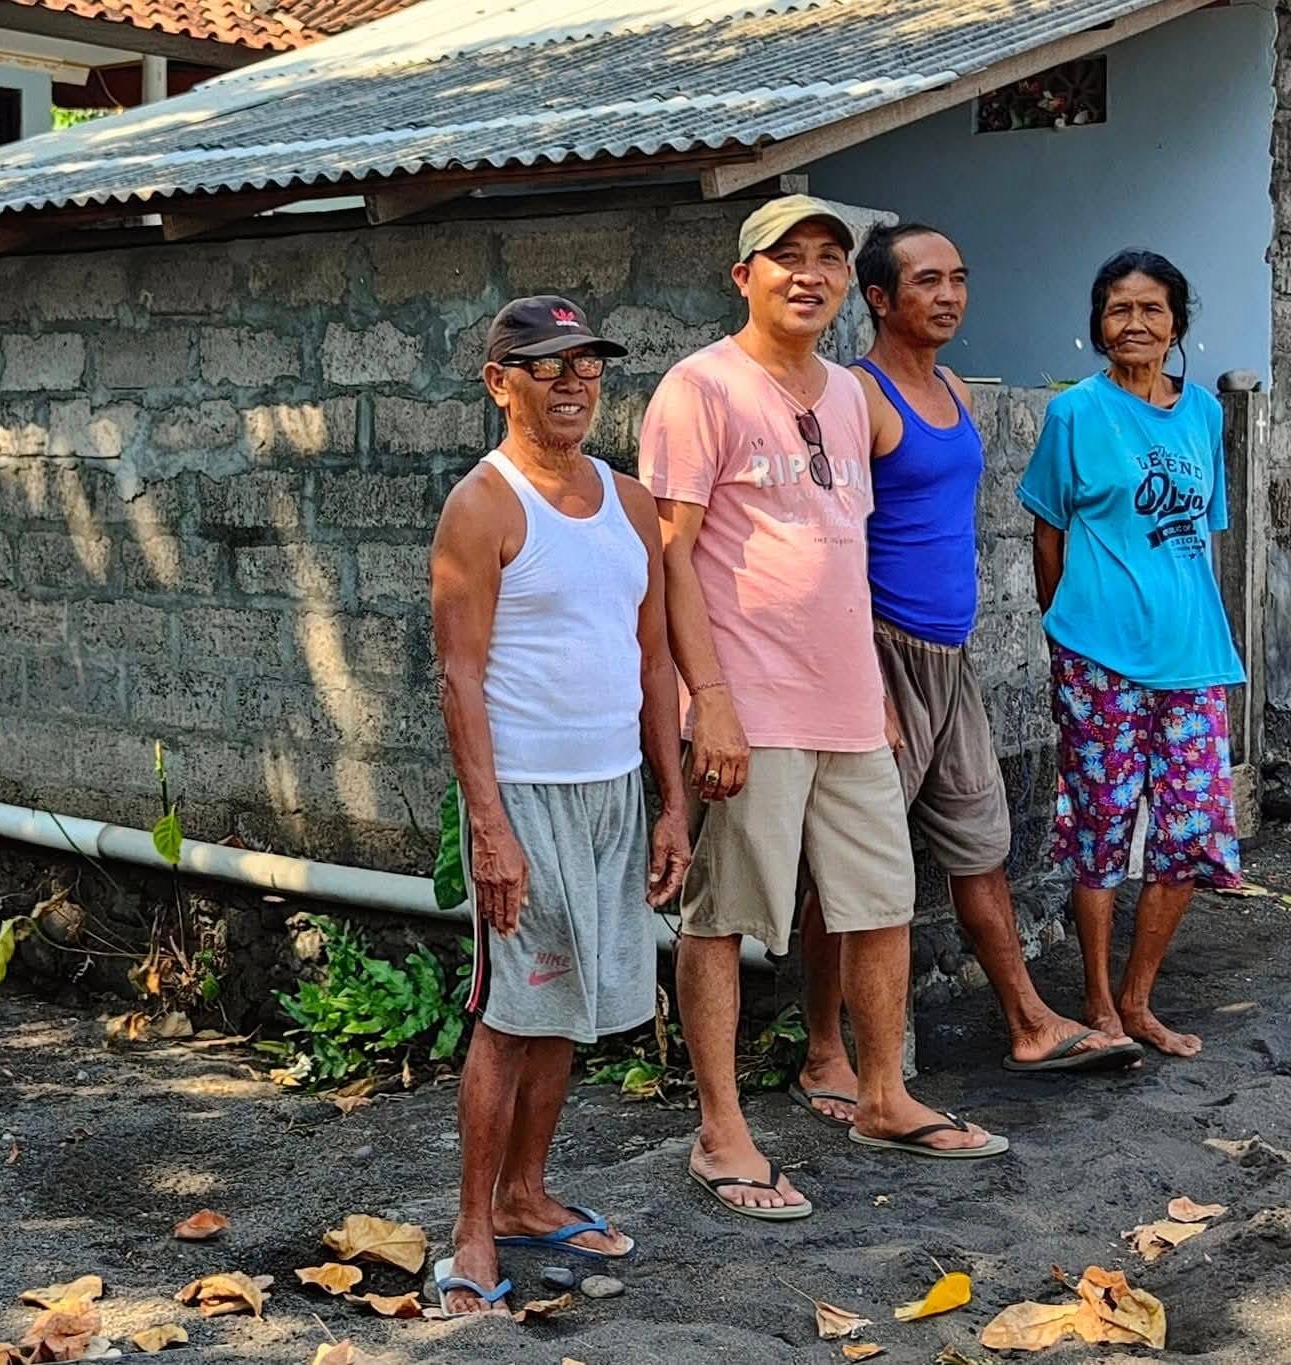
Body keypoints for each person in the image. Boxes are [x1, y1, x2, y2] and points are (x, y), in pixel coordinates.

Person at [641, 196, 1007, 1221]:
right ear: (743, 276)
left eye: (826, 261)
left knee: (881, 901)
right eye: (785, 258)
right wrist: (705, 698)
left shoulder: (849, 396)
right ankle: (719, 1132)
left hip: (852, 702)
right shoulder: (699, 388)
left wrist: (874, 696)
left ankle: (883, 1094)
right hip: (747, 706)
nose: (808, 275)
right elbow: (669, 561)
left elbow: (845, 554)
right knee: (722, 920)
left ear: (846, 283)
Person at [788, 225, 1144, 1120]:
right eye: (927, 281)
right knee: (843, 872)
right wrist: (865, 673)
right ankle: (826, 1050)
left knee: (980, 849)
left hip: (951, 659)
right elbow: (831, 549)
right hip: (881, 654)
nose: (949, 295)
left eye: (959, 278)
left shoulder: (951, 389)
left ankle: (1028, 1019)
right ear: (877, 297)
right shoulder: (857, 398)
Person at [429, 295, 691, 1313]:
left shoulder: (629, 503)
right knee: (510, 1011)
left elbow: (653, 655)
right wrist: (487, 826)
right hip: (524, 795)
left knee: (569, 1006)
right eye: (546, 368)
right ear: (500, 384)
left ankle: (528, 1195)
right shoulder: (483, 506)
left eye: (585, 365)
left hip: (613, 792)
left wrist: (671, 803)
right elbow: (458, 675)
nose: (573, 382)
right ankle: (469, 1230)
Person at [1016, 250, 1245, 1059]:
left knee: (1188, 828)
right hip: (1097, 654)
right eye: (1119, 310)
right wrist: (1063, 626)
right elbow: (1047, 530)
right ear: (1097, 325)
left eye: (1151, 309)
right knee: (1101, 827)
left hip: (1191, 653)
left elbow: (1196, 537)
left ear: (1176, 323)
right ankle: (1098, 1001)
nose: (1135, 324)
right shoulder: (1075, 415)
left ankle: (1142, 997)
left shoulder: (1204, 417)